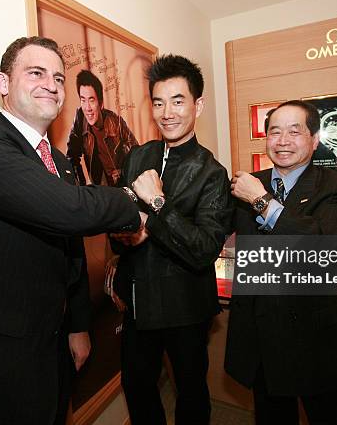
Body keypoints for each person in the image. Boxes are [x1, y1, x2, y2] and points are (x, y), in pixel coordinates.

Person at [0, 36, 142, 425]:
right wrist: (134, 198)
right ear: (3, 84)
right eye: (35, 73)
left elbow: (68, 250)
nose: (51, 84)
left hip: (47, 354)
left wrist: (78, 327)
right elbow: (69, 211)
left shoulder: (58, 162)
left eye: (57, 77)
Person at [226, 100, 337, 425]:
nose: (283, 141)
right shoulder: (245, 185)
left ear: (314, 139)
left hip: (320, 338)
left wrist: (261, 201)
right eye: (275, 132)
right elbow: (206, 230)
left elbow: (323, 244)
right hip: (263, 336)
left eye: (295, 132)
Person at [110, 54, 234, 425]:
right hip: (137, 302)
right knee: (138, 388)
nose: (168, 112)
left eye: (178, 101)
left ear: (198, 105)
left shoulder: (212, 173)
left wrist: (158, 205)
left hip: (184, 306)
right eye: (159, 102)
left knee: (191, 394)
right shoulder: (138, 155)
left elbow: (202, 249)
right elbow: (120, 224)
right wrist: (127, 236)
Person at [67, 69, 138, 186]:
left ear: (100, 103)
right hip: (100, 185)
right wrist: (81, 188)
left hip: (121, 185)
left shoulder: (117, 122)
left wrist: (123, 172)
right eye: (83, 100)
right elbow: (72, 157)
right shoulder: (80, 118)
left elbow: (138, 154)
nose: (87, 108)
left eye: (91, 100)